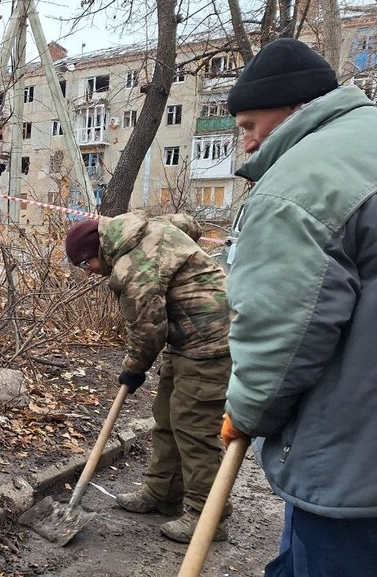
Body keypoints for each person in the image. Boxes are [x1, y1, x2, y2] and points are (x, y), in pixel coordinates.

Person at [220, 37, 377, 575]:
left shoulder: (301, 183)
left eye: (249, 125)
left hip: (354, 464)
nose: (246, 143)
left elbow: (282, 325)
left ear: (294, 108)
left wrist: (246, 411)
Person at [64, 212, 233, 542]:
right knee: (167, 416)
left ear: (97, 250)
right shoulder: (144, 229)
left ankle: (207, 517)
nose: (88, 273)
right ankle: (163, 493)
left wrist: (133, 369)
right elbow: (188, 224)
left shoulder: (134, 266)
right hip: (184, 335)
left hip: (212, 339)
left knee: (194, 425)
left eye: (86, 264)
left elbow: (147, 330)